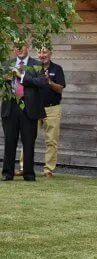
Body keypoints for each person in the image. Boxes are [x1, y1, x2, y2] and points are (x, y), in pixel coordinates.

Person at [16, 46, 65, 178]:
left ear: (50, 53)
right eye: (39, 52)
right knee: (27, 138)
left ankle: (48, 170)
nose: (42, 55)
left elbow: (60, 89)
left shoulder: (57, 69)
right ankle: (23, 168)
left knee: (51, 141)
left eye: (45, 52)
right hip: (33, 107)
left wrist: (48, 81)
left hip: (52, 108)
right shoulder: (31, 67)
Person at [1, 44, 46, 181]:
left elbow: (41, 81)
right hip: (10, 107)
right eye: (16, 46)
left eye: (21, 46)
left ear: (27, 47)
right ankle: (7, 173)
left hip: (29, 108)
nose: (18, 49)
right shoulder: (6, 64)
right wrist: (4, 78)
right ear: (13, 49)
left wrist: (21, 76)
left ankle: (28, 174)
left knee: (28, 143)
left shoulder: (37, 64)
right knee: (9, 142)